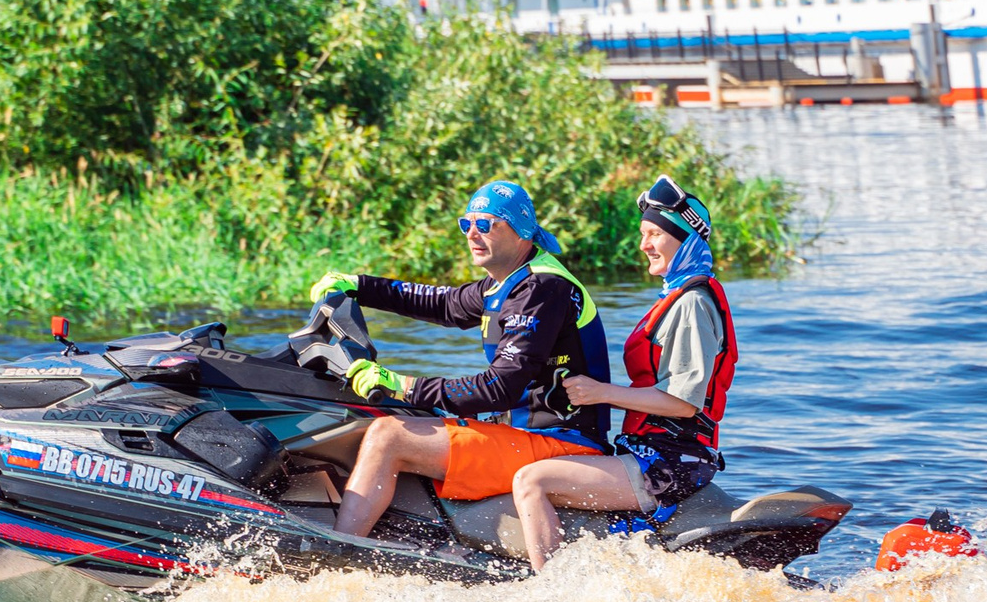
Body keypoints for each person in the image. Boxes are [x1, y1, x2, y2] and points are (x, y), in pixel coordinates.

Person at [309, 181, 612, 541]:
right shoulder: (505, 282)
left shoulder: (541, 288)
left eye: (485, 225)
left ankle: (340, 550)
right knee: (398, 416)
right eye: (465, 224)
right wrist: (356, 284)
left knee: (387, 435)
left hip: (559, 442)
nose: (472, 234)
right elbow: (443, 303)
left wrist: (402, 385)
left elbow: (499, 388)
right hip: (524, 434)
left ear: (522, 231)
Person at [512, 174, 737, 569]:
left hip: (670, 461)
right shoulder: (678, 293)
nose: (644, 245)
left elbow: (683, 404)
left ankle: (548, 593)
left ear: (684, 238)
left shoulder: (691, 305)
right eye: (642, 234)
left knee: (532, 481)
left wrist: (600, 392)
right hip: (655, 452)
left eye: (654, 234)